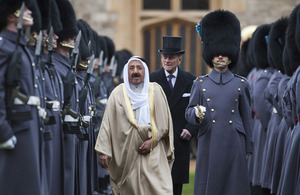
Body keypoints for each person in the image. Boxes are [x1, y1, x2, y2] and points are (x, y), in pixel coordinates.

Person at [185, 10, 253, 195]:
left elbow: (246, 117)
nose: (220, 56)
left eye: (224, 53)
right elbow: (189, 112)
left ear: (231, 54)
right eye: (216, 53)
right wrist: (196, 113)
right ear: (210, 54)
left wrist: (249, 145)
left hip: (233, 141)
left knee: (234, 186)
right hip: (210, 139)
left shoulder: (241, 84)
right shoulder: (200, 84)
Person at [95, 56, 174, 195]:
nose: (135, 72)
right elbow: (107, 123)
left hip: (153, 152)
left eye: (139, 68)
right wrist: (104, 151)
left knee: (161, 189)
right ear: (126, 72)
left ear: (145, 71)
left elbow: (164, 123)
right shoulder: (118, 93)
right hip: (126, 153)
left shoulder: (155, 90)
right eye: (131, 68)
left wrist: (153, 141)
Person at [0, 1, 43, 194]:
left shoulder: (19, 46)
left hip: (27, 127)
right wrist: (3, 130)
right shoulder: (4, 46)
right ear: (11, 15)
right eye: (24, 9)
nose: (30, 12)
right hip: (14, 127)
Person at [150, 35, 198, 195]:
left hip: (180, 140)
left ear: (179, 60)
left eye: (171, 58)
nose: (167, 60)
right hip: (157, 141)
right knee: (156, 185)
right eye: (165, 57)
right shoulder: (151, 80)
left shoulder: (191, 80)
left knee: (176, 186)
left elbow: (198, 109)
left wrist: (191, 129)